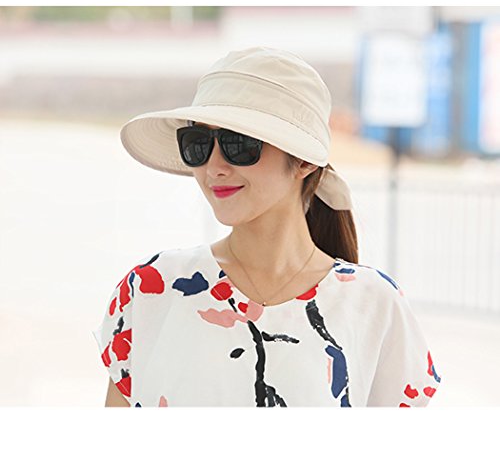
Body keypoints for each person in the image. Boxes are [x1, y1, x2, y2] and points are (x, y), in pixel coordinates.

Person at [92, 46, 442, 407]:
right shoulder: (150, 289)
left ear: (304, 161)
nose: (214, 167)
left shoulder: (375, 306)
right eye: (198, 143)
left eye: (238, 144)